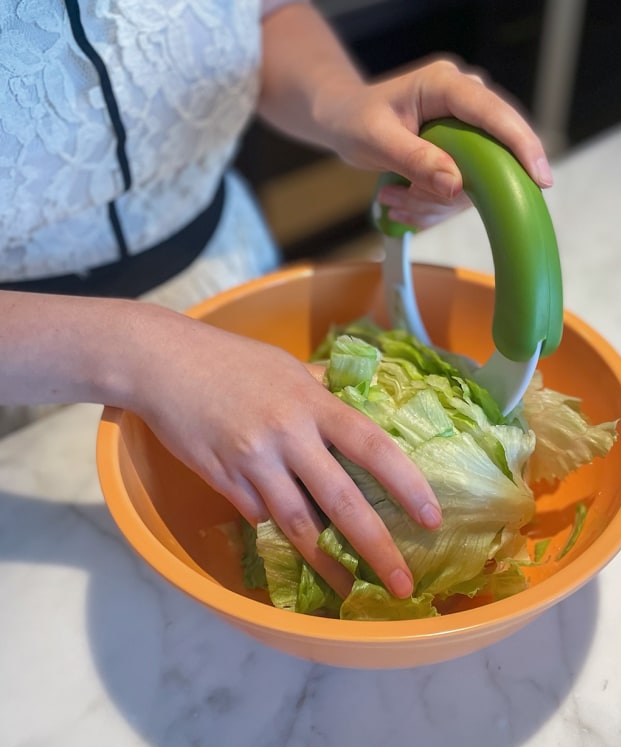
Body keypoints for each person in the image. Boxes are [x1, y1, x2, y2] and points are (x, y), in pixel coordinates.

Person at [0, 0, 553, 599]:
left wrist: (341, 101)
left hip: (224, 269)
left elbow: (262, 13)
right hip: (30, 360)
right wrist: (143, 351)